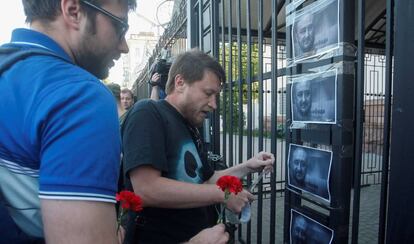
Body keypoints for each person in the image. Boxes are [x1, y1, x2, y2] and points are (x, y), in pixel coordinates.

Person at [0, 1, 227, 243]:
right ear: (73, 11)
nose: (124, 46)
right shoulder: (78, 96)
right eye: (120, 26)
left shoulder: (10, 69)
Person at [121, 49, 275, 243]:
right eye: (208, 93)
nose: (214, 104)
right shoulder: (148, 112)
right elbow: (146, 189)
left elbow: (208, 180)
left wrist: (248, 166)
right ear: (180, 82)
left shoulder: (190, 127)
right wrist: (223, 195)